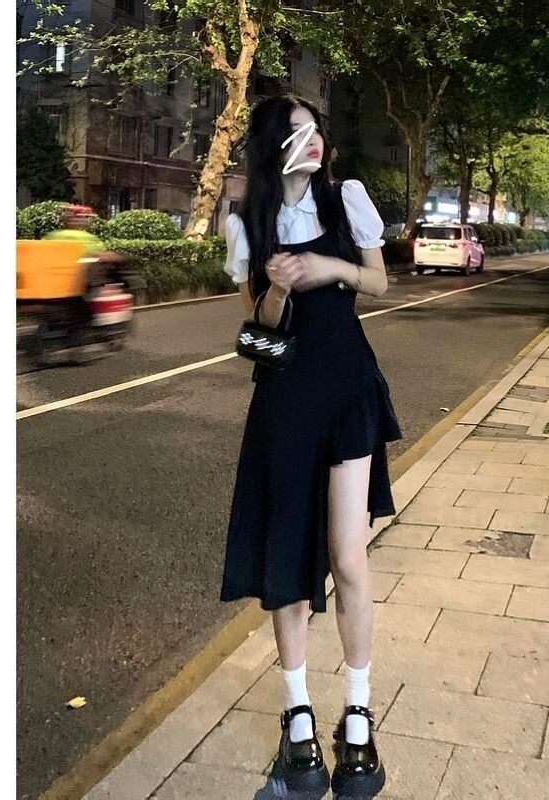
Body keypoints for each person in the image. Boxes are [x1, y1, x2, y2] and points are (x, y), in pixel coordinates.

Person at [219, 94, 402, 798]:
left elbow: (379, 281)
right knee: (287, 554)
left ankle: (357, 713)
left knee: (347, 555)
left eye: (317, 127)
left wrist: (333, 270)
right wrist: (273, 290)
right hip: (285, 401)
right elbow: (256, 331)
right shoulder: (248, 220)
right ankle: (297, 719)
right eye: (298, 131)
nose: (315, 138)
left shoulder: (345, 198)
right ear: (275, 145)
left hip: (349, 389)